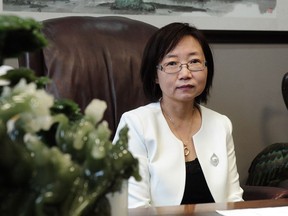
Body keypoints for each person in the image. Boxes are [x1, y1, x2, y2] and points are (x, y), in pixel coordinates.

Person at [113, 22, 243, 208]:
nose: (185, 73)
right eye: (172, 63)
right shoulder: (135, 124)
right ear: (155, 75)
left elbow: (234, 201)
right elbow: (134, 208)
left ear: (207, 68)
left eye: (194, 62)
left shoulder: (221, 124)